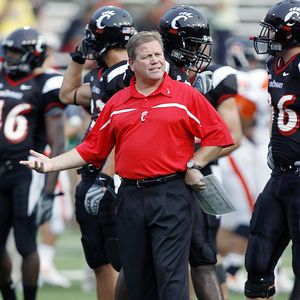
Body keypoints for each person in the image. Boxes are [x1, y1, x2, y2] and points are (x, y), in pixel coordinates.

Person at [20, 30, 234, 300]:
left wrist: (195, 163)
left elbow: (220, 137)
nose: (155, 61)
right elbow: (92, 148)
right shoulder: (118, 102)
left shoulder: (184, 95)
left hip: (172, 194)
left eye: (158, 55)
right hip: (130, 196)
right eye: (147, 57)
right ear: (132, 64)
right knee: (136, 279)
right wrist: (51, 165)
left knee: (171, 280)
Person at [158, 5, 242, 300]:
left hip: (200, 174)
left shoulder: (217, 76)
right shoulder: (151, 72)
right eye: (194, 43)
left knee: (204, 257)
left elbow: (232, 137)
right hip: (155, 177)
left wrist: (194, 161)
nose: (202, 50)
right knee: (145, 263)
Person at [59, 6, 135, 300]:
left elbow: (126, 134)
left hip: (115, 176)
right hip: (92, 170)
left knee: (124, 262)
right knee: (100, 263)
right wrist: (77, 59)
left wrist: (107, 177)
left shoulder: (127, 74)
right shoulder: (105, 75)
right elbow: (67, 94)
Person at [0, 27, 65, 300]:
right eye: (9, 51)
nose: (11, 58)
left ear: (33, 55)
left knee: (27, 245)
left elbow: (58, 142)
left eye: (17, 52)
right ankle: (9, 295)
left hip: (27, 174)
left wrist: (49, 192)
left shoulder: (45, 84)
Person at [243, 0, 300, 299]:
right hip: (280, 176)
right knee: (257, 262)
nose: (268, 35)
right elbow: (281, 113)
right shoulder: (274, 64)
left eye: (274, 30)